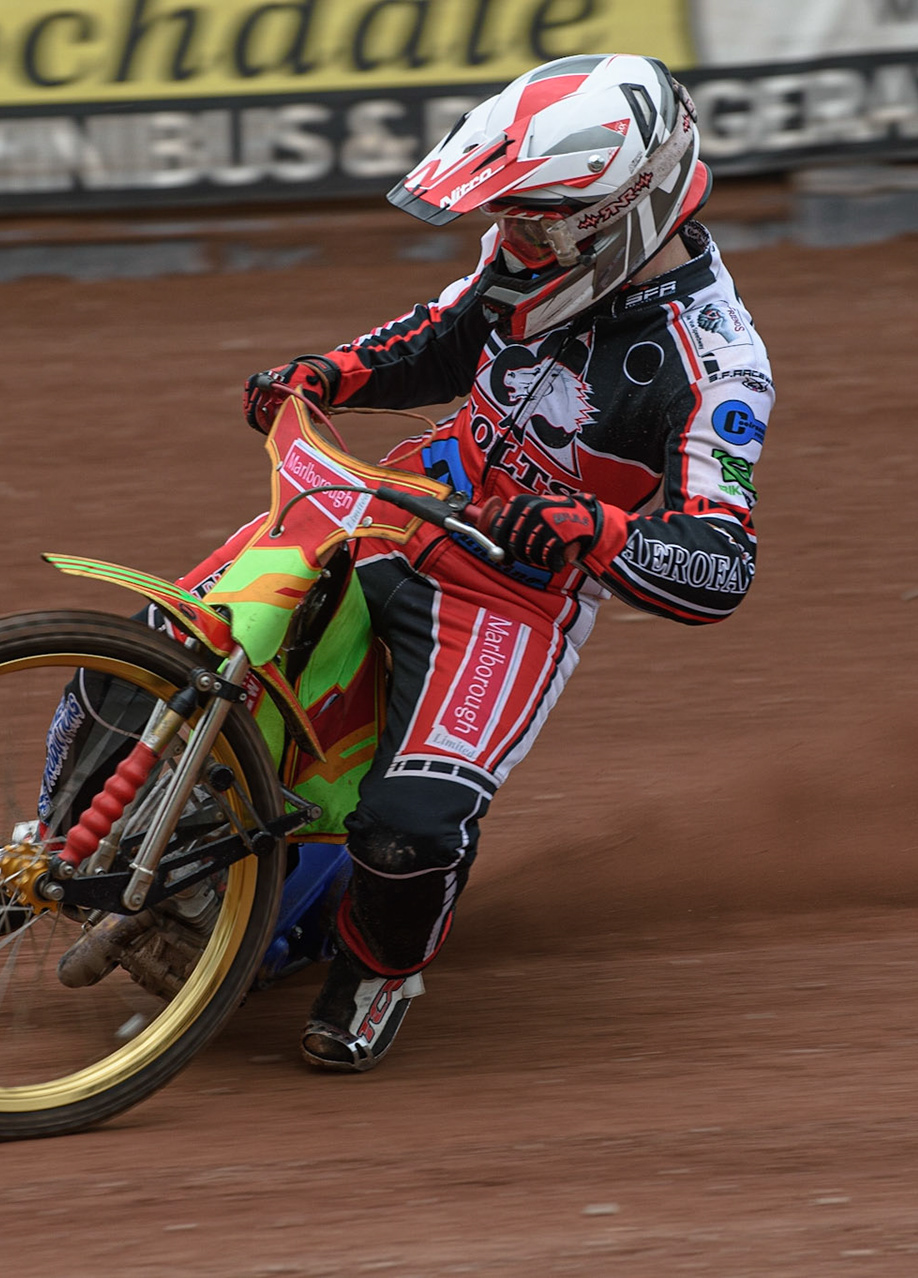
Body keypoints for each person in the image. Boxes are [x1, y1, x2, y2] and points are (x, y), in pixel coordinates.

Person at [238, 53, 774, 1071]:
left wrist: (595, 533)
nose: (511, 237)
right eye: (509, 213)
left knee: (409, 829)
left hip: (513, 595)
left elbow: (724, 561)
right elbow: (443, 337)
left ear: (621, 212)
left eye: (534, 219)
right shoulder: (526, 258)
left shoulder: (719, 362)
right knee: (191, 635)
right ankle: (54, 840)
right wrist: (326, 372)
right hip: (403, 500)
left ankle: (379, 969)